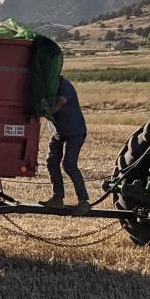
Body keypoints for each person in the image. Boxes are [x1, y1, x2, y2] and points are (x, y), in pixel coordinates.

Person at [44, 75, 88, 207]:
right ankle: (57, 198)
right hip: (58, 132)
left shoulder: (64, 85)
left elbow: (61, 101)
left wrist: (48, 111)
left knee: (69, 164)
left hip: (74, 131)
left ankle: (83, 201)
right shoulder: (48, 87)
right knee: (51, 161)